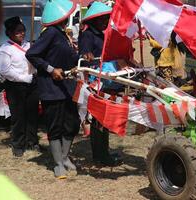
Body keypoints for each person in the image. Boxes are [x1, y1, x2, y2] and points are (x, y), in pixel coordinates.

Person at [26, 0, 80, 179]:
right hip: (52, 89)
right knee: (55, 126)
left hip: (67, 88)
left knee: (72, 124)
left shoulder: (63, 34)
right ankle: (58, 163)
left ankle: (64, 158)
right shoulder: (50, 33)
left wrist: (80, 59)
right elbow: (31, 54)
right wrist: (50, 69)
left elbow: (69, 57)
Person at [78, 1, 122, 166]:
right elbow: (84, 55)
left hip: (105, 80)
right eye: (101, 18)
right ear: (94, 20)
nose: (104, 21)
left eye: (106, 18)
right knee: (99, 119)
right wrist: (87, 54)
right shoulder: (88, 34)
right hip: (96, 82)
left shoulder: (100, 33)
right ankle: (100, 155)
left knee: (104, 119)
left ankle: (103, 152)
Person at [0, 16, 39, 157]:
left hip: (32, 83)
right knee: (18, 116)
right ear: (10, 33)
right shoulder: (4, 50)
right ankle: (18, 145)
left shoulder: (29, 46)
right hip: (15, 87)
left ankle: (32, 141)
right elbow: (6, 71)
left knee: (32, 114)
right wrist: (24, 78)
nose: (21, 33)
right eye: (17, 31)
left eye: (23, 30)